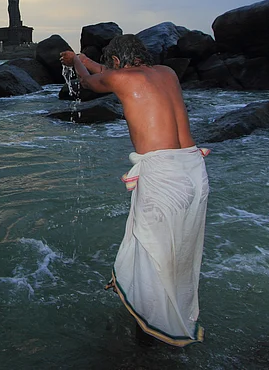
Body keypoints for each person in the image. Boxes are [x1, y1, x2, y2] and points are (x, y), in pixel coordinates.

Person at [60, 35, 209, 347]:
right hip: (194, 169)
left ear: (116, 62)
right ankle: (172, 316)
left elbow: (90, 84)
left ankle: (153, 333)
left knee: (152, 252)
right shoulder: (167, 73)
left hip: (164, 174)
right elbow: (110, 73)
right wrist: (85, 60)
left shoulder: (118, 77)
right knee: (178, 250)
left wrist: (76, 62)